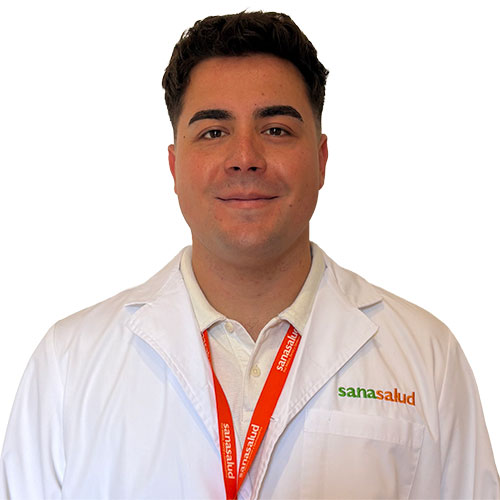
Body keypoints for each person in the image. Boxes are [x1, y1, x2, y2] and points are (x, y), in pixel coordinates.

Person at [1, 10, 498, 500]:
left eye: (276, 129)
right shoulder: (69, 363)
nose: (245, 158)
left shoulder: (427, 355)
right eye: (213, 132)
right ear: (174, 166)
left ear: (321, 160)